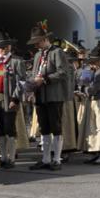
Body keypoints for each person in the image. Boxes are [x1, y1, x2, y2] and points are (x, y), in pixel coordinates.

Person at [27, 22, 71, 171]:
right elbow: (34, 74)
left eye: (37, 42)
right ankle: (46, 159)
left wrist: (45, 79)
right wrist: (31, 88)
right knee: (44, 128)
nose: (36, 46)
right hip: (40, 95)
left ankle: (57, 159)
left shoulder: (57, 52)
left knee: (56, 127)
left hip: (54, 95)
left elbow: (63, 72)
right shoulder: (38, 55)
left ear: (45, 39)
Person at [0, 31, 23, 168]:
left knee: (9, 128)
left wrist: (16, 98)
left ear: (10, 47)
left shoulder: (17, 61)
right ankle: (3, 156)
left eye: (6, 46)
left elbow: (21, 82)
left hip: (9, 98)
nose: (3, 49)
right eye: (1, 47)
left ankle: (11, 157)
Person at [79, 43, 100, 165]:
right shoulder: (97, 70)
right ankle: (97, 151)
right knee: (94, 126)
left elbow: (93, 89)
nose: (92, 64)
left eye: (94, 61)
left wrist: (83, 89)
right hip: (96, 100)